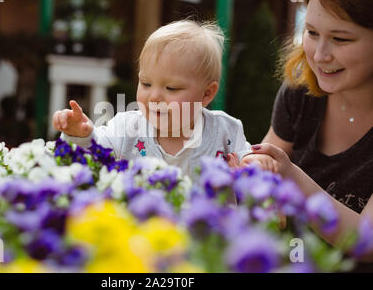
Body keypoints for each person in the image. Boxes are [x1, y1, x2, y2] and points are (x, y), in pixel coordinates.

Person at [241, 0, 373, 263]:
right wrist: (254, 172)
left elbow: (366, 241)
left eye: (340, 38)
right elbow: (267, 162)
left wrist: (293, 180)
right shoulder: (300, 93)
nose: (320, 55)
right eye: (312, 33)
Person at [52, 20, 253, 182]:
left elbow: (254, 172)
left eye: (171, 88)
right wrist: (80, 134)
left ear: (207, 94)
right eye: (146, 84)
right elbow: (95, 152)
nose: (154, 96)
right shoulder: (127, 128)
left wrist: (253, 168)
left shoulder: (226, 131)